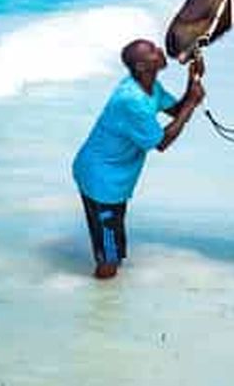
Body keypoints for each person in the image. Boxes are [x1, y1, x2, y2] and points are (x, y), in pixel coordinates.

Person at [73, 38, 205, 279]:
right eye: (153, 52)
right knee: (109, 260)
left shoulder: (150, 86)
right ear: (142, 67)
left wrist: (192, 81)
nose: (160, 51)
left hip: (112, 178)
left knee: (114, 247)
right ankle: (100, 310)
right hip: (101, 180)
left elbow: (176, 110)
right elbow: (162, 142)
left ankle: (109, 302)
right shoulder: (132, 100)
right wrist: (192, 104)